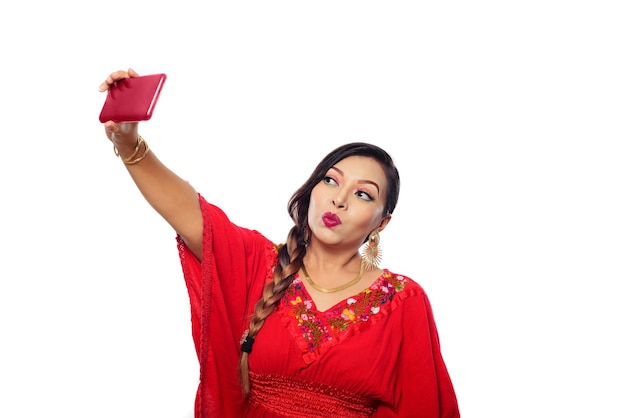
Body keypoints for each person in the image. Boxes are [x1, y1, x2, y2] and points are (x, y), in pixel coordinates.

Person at [99, 68, 461, 418]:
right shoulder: (259, 263)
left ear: (382, 222)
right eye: (332, 182)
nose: (340, 200)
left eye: (363, 194)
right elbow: (192, 213)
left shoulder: (403, 301)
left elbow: (423, 407)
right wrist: (128, 141)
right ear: (313, 189)